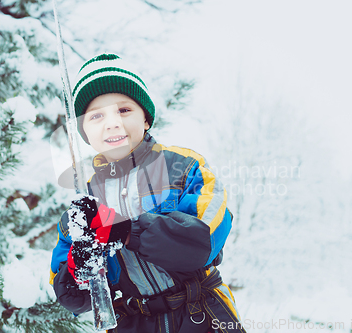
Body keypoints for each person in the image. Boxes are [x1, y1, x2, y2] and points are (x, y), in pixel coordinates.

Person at [49, 53, 245, 333]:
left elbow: (204, 241)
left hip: (201, 315)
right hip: (132, 322)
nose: (112, 123)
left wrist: (127, 231)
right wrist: (79, 267)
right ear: (85, 133)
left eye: (124, 110)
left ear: (146, 119)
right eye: (96, 116)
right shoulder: (85, 203)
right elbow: (72, 297)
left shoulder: (184, 167)